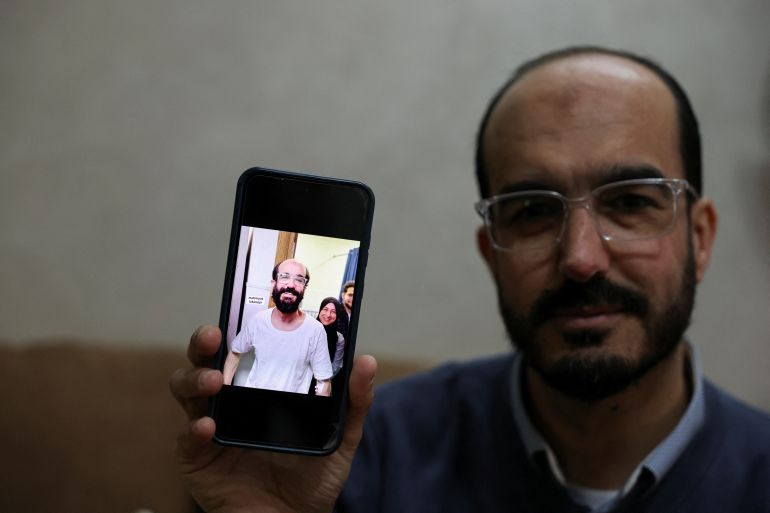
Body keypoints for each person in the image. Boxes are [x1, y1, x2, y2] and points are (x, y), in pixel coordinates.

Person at [170, 46, 770, 512]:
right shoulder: (364, 458)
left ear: (699, 236)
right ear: (491, 252)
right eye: (533, 211)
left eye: (632, 202)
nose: (582, 258)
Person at [222, 258, 333, 396]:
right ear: (273, 283)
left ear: (304, 288)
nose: (291, 285)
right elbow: (235, 351)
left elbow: (323, 381)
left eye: (299, 280)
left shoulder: (316, 330)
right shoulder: (258, 320)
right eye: (284, 277)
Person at [309, 297, 348, 396]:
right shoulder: (308, 330)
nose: (328, 315)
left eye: (333, 312)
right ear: (320, 310)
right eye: (325, 309)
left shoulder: (339, 338)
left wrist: (322, 378)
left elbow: (336, 365)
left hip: (322, 382)